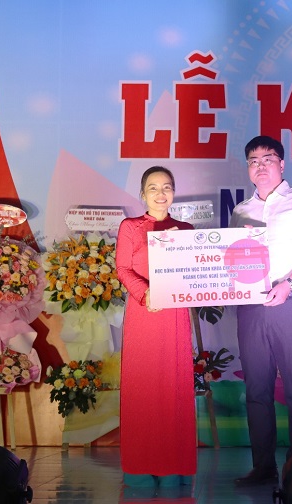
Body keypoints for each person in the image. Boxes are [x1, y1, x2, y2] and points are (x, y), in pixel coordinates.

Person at [230, 136, 292, 486]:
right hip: (251, 305)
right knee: (256, 389)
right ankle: (263, 467)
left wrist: (287, 283)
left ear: (282, 164)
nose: (260, 166)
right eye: (253, 161)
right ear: (248, 167)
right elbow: (233, 259)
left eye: (268, 159)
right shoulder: (241, 210)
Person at [116, 166, 196, 487]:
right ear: (142, 194)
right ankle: (140, 464)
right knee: (144, 384)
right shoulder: (131, 227)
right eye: (153, 187)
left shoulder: (186, 228)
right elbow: (122, 268)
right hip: (144, 312)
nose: (160, 193)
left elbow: (194, 270)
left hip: (174, 314)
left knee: (174, 384)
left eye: (167, 187)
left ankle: (175, 462)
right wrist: (145, 292)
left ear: (173, 192)